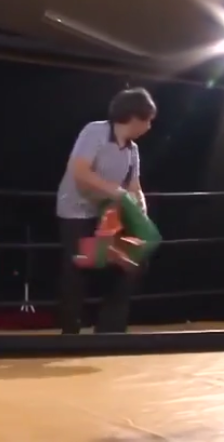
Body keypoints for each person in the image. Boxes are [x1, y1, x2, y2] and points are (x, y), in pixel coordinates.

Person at [56, 87, 159, 335]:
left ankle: (110, 331)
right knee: (78, 270)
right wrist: (116, 192)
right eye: (148, 120)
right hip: (77, 211)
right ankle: (70, 335)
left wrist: (141, 215)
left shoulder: (133, 151)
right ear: (134, 116)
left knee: (130, 265)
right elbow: (79, 171)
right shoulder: (95, 131)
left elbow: (135, 187)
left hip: (108, 216)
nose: (149, 126)